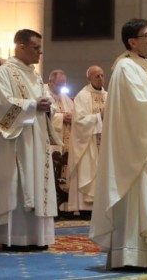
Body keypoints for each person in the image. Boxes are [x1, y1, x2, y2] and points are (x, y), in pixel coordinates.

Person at [90, 18, 147, 270]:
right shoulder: (125, 68)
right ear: (132, 41)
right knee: (139, 195)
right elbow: (133, 105)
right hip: (136, 147)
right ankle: (131, 254)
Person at [0, 29, 59, 251]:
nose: (40, 52)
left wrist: (47, 108)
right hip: (16, 140)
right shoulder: (5, 73)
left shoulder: (35, 75)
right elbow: (0, 105)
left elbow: (44, 105)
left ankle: (36, 237)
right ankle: (14, 237)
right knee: (17, 184)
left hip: (37, 138)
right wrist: (34, 106)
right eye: (36, 48)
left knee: (38, 183)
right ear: (21, 47)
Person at [66, 66, 106, 216]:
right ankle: (85, 208)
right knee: (88, 171)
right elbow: (79, 122)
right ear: (89, 78)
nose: (100, 78)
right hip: (88, 143)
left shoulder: (108, 95)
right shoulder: (82, 96)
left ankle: (102, 205)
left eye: (102, 75)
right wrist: (99, 116)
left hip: (105, 143)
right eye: (97, 76)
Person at [48, 70, 74, 153]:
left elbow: (74, 111)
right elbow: (42, 116)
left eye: (64, 85)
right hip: (51, 139)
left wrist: (72, 117)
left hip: (66, 138)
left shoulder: (64, 96)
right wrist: (62, 117)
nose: (61, 88)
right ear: (51, 82)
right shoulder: (43, 93)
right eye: (59, 85)